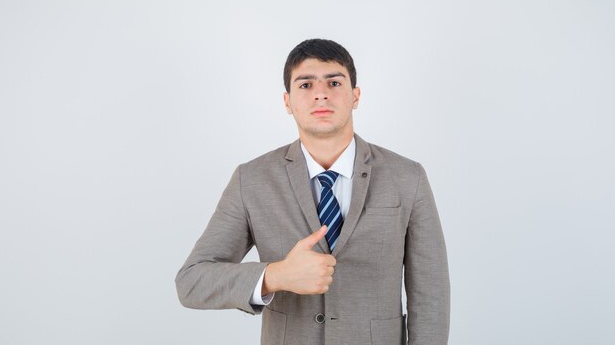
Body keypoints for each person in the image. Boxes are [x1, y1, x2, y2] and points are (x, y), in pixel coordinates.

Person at [175, 38, 450, 345]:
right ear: (287, 102)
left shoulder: (407, 177)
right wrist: (275, 276)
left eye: (334, 82)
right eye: (305, 85)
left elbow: (431, 296)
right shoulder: (251, 180)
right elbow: (192, 281)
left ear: (355, 96)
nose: (320, 93)